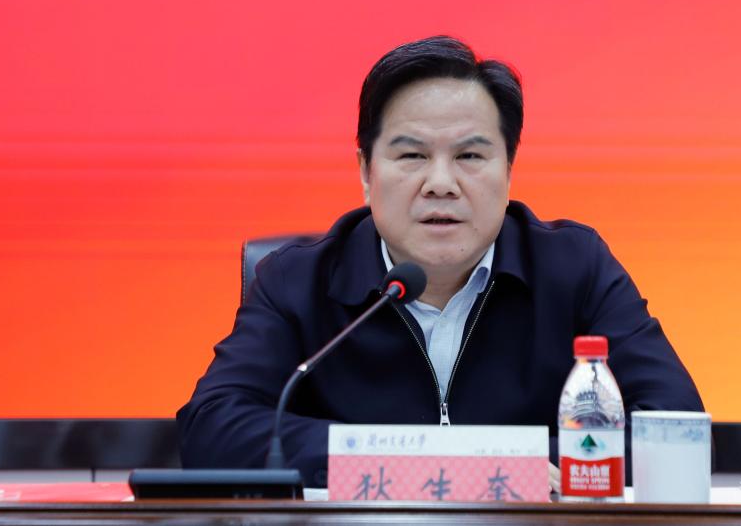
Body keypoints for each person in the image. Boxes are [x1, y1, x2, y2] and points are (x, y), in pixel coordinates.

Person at [177, 35, 703, 487]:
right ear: (365, 172)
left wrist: (512, 472)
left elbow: (676, 427)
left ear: (509, 170)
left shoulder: (574, 267)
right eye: (412, 156)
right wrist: (438, 464)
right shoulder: (298, 279)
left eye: (470, 156)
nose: (441, 183)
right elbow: (212, 427)